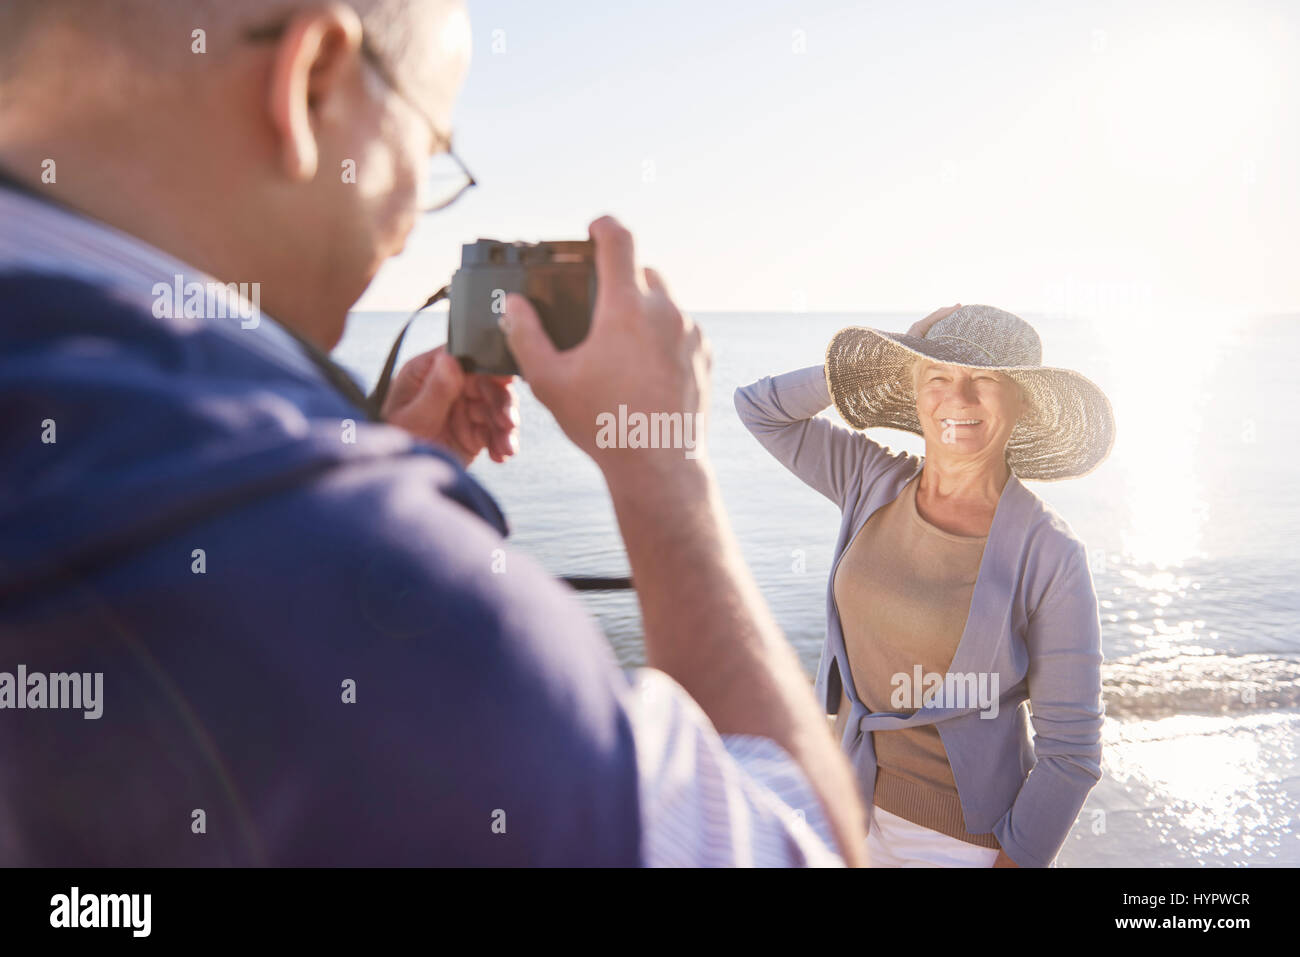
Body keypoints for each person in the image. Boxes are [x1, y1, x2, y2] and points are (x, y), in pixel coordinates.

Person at [0, 0, 867, 865]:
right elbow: (803, 842)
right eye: (429, 150)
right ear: (315, 81)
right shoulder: (386, 593)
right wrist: (665, 473)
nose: (416, 216)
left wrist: (370, 455)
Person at [734, 303, 1116, 867]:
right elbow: (760, 408)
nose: (957, 399)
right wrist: (891, 355)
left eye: (984, 383)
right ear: (914, 393)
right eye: (938, 378)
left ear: (1020, 407)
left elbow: (1072, 752)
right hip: (846, 807)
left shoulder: (1050, 553)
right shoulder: (869, 479)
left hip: (964, 845)